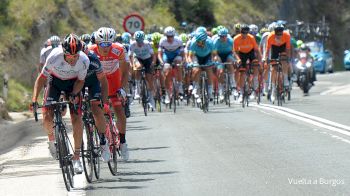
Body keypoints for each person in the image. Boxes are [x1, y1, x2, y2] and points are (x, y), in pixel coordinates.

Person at [32, 34, 89, 174]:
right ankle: (51, 138)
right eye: (70, 55)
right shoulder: (53, 57)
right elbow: (41, 79)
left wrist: (75, 94)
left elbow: (81, 81)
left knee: (76, 118)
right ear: (64, 52)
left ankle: (76, 157)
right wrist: (34, 100)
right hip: (55, 83)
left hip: (73, 84)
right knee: (46, 117)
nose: (73, 59)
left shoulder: (84, 60)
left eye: (76, 56)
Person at [89, 27, 130, 161]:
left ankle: (123, 142)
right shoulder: (90, 51)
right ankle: (102, 140)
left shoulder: (119, 49)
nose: (106, 47)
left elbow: (125, 71)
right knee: (98, 110)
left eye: (108, 44)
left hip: (113, 78)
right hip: (98, 80)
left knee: (119, 111)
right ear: (97, 42)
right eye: (102, 44)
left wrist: (122, 88)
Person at [81, 42, 111, 162]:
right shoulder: (70, 61)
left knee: (96, 108)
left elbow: (103, 82)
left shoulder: (93, 59)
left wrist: (104, 102)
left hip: (93, 83)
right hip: (79, 83)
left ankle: (103, 141)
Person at [233, 24, 262, 101]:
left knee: (255, 64)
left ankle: (255, 82)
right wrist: (238, 59)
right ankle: (241, 93)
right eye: (243, 32)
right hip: (241, 54)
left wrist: (260, 60)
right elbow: (235, 52)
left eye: (246, 33)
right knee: (242, 72)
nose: (245, 34)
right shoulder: (236, 38)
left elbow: (256, 50)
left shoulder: (251, 37)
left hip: (250, 52)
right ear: (240, 32)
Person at [129, 31, 157, 109]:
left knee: (149, 79)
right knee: (138, 67)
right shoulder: (132, 45)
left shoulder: (147, 44)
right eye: (138, 40)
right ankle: (137, 90)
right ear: (135, 40)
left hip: (147, 59)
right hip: (138, 59)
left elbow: (153, 55)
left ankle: (151, 99)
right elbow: (130, 56)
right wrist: (132, 64)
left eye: (141, 40)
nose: (140, 42)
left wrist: (153, 63)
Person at [264, 23, 291, 102]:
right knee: (274, 69)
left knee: (284, 60)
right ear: (274, 32)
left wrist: (288, 58)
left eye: (280, 34)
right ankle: (273, 90)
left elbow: (288, 48)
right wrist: (266, 58)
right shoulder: (270, 36)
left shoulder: (287, 35)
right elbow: (267, 49)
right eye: (277, 34)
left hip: (283, 47)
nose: (279, 36)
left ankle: (285, 79)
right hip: (274, 49)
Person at [158, 26, 184, 103]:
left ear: (174, 35)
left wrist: (183, 61)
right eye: (168, 36)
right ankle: (167, 93)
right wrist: (161, 62)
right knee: (166, 71)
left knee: (179, 64)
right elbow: (159, 54)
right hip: (167, 55)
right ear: (165, 36)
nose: (170, 38)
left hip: (176, 55)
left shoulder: (178, 40)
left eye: (171, 36)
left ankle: (179, 86)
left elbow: (182, 53)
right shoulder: (162, 41)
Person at [188, 31, 215, 103]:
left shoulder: (210, 43)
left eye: (199, 42)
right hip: (196, 56)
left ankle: (210, 89)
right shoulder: (193, 42)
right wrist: (190, 63)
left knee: (209, 68)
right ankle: (196, 87)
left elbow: (213, 54)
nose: (197, 43)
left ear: (204, 41)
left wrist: (212, 61)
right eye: (197, 41)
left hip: (207, 57)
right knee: (196, 69)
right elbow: (190, 56)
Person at [212, 27, 236, 101]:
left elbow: (233, 52)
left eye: (225, 36)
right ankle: (221, 92)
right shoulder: (216, 41)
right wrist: (216, 59)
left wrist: (235, 59)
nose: (223, 38)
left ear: (227, 35)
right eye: (221, 36)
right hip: (219, 55)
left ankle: (233, 83)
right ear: (219, 36)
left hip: (228, 55)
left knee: (230, 62)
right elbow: (215, 54)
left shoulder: (230, 41)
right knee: (221, 72)